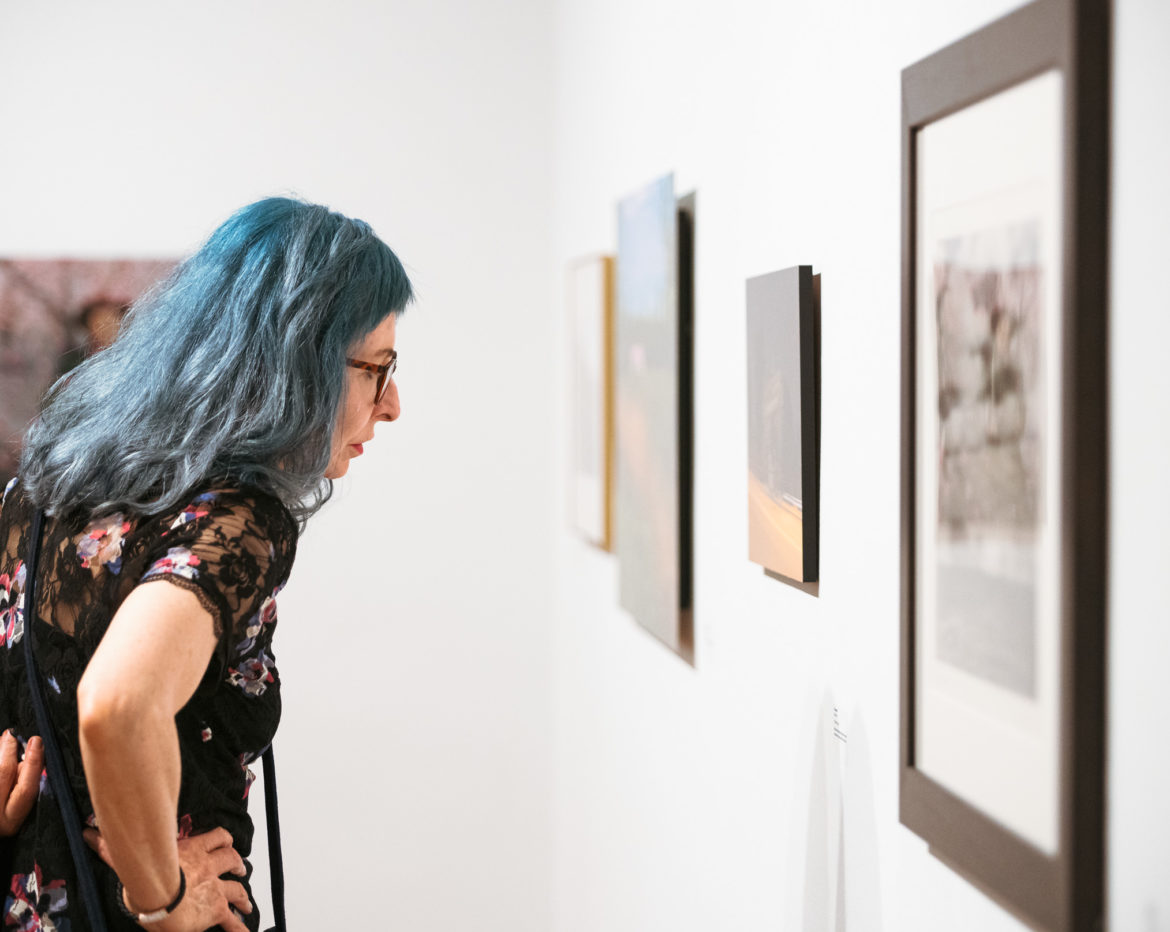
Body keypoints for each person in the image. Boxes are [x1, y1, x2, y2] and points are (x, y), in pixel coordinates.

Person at [0, 196, 412, 931]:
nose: (392, 405)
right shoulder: (236, 518)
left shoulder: (44, 488)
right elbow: (117, 704)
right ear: (300, 363)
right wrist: (163, 898)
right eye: (376, 369)